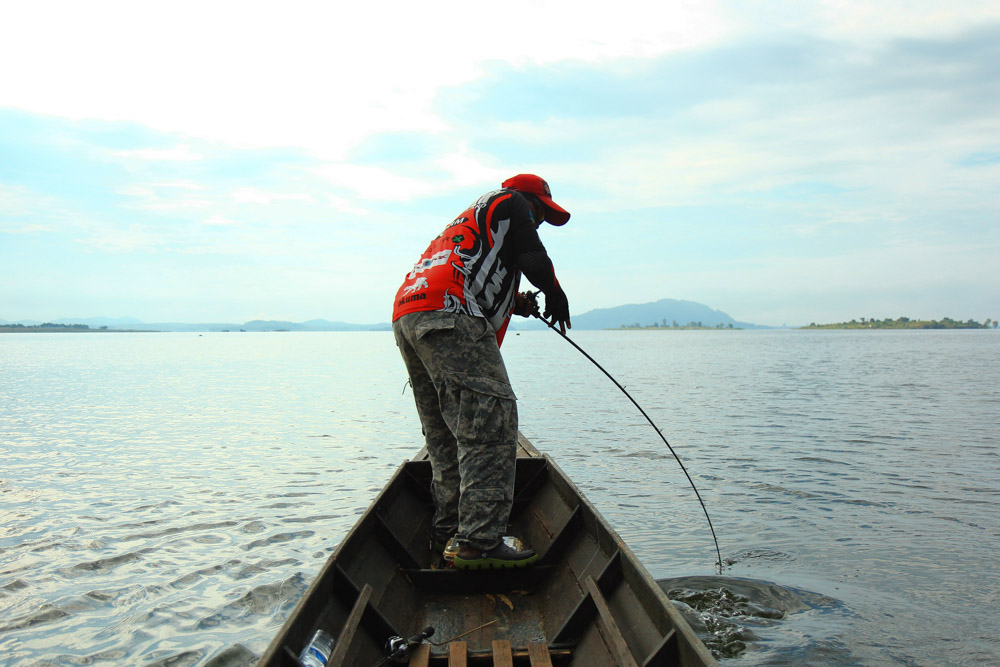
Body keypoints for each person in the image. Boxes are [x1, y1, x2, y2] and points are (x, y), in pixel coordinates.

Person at [392, 174, 571, 570]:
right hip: (451, 312)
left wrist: (518, 302)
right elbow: (532, 256)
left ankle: (451, 528)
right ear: (529, 201)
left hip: (411, 312)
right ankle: (478, 542)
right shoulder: (511, 202)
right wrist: (555, 292)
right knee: (491, 422)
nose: (538, 222)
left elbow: (478, 268)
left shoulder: (470, 219)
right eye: (540, 213)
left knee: (445, 430)